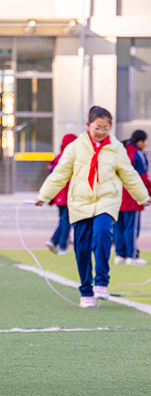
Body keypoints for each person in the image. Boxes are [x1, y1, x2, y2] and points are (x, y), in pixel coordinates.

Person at [37, 107, 151, 308]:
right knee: (81, 247)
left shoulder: (116, 148)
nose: (101, 132)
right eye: (97, 127)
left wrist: (143, 196)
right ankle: (86, 291)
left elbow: (129, 174)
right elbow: (60, 173)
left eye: (106, 128)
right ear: (88, 125)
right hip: (80, 202)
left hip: (106, 201)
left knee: (102, 232)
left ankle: (101, 281)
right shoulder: (75, 147)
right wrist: (44, 196)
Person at [114, 130, 151, 266]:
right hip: (131, 196)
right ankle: (132, 255)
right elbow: (142, 177)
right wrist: (147, 194)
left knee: (118, 227)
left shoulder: (121, 152)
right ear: (140, 142)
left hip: (117, 195)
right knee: (131, 227)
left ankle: (120, 254)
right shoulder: (137, 155)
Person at [45, 134, 78, 256]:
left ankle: (55, 241)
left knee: (63, 219)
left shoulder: (58, 157)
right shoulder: (69, 158)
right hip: (67, 194)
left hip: (60, 194)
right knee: (66, 220)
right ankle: (61, 245)